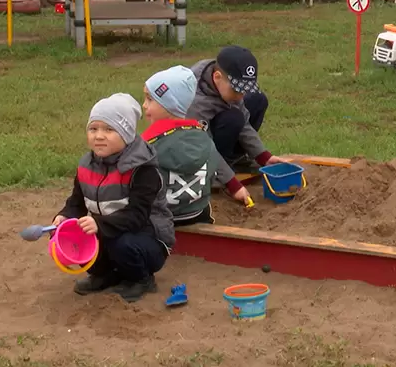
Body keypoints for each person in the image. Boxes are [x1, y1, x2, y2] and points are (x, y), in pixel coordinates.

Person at [53, 93, 175, 302]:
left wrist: (98, 224)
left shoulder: (143, 170)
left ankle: (141, 279)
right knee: (79, 235)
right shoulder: (86, 166)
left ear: (126, 134)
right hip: (108, 229)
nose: (99, 136)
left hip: (147, 237)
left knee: (122, 243)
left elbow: (138, 216)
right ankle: (105, 275)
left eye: (109, 129)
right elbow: (77, 203)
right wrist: (64, 217)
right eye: (93, 129)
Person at [187, 45, 285, 206]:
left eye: (244, 89)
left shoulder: (224, 81)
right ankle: (215, 174)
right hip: (196, 145)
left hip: (216, 128)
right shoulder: (195, 101)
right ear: (217, 77)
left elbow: (245, 124)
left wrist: (264, 156)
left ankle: (236, 161)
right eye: (237, 90)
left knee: (257, 100)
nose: (241, 95)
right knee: (232, 118)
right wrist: (231, 183)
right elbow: (203, 146)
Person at [141, 65, 220, 226]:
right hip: (196, 214)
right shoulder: (205, 139)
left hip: (157, 220)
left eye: (150, 99)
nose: (144, 105)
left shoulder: (146, 146)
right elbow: (212, 173)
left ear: (169, 105)